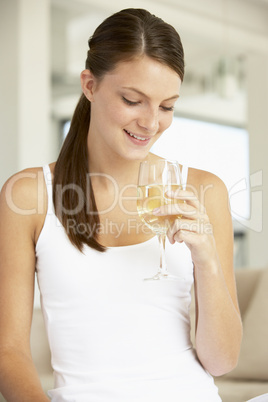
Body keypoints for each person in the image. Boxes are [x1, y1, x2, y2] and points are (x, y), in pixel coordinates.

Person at [0, 8, 242, 402]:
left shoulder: (203, 191)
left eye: (167, 107)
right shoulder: (29, 196)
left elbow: (222, 361)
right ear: (90, 85)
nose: (150, 123)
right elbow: (7, 351)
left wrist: (207, 261)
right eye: (133, 100)